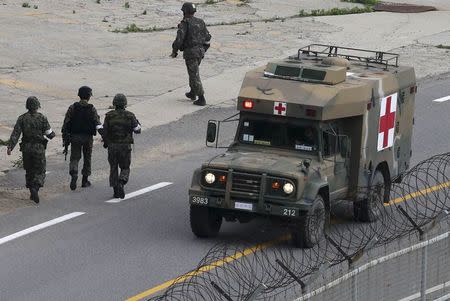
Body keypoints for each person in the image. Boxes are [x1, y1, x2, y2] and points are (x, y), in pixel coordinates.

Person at [6, 96, 56, 203]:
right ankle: (36, 187)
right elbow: (49, 134)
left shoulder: (22, 118)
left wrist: (10, 147)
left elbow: (16, 134)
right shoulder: (42, 118)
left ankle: (31, 189)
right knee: (40, 170)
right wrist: (50, 136)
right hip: (39, 148)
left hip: (26, 148)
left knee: (29, 170)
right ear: (37, 106)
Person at [62, 86, 102, 191]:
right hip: (88, 138)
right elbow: (97, 123)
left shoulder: (73, 107)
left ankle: (74, 173)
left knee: (75, 157)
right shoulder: (92, 108)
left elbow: (66, 123)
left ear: (79, 95)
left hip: (75, 137)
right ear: (89, 96)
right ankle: (85, 180)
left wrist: (65, 137)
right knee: (87, 158)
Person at [171, 2, 211, 106]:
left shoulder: (185, 23)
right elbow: (208, 37)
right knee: (193, 72)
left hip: (191, 53)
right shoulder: (200, 22)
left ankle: (201, 98)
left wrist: (174, 51)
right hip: (200, 52)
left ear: (184, 12)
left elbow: (179, 40)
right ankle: (193, 92)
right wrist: (203, 49)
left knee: (194, 75)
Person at [102, 94, 141, 199]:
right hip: (125, 146)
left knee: (113, 168)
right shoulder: (130, 115)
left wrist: (106, 142)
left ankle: (115, 191)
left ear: (114, 103)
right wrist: (138, 124)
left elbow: (104, 131)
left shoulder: (109, 116)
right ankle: (122, 182)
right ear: (125, 104)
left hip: (112, 146)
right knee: (125, 167)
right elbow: (137, 130)